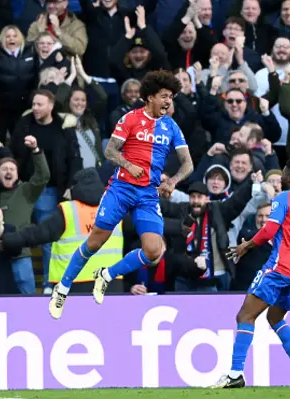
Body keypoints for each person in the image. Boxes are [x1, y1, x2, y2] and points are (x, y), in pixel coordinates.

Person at [48, 70, 194, 319]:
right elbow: (110, 152)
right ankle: (62, 289)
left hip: (148, 195)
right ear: (150, 97)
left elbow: (187, 164)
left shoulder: (171, 126)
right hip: (121, 189)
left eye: (171, 97)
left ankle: (106, 274)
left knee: (153, 251)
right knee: (95, 242)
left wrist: (173, 181)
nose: (169, 101)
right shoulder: (130, 118)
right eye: (164, 96)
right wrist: (128, 165)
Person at [212, 158, 290, 389]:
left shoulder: (283, 198)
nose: (281, 178)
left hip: (279, 268)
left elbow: (269, 230)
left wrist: (246, 245)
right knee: (275, 317)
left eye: (283, 174)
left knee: (245, 316)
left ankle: (235, 373)